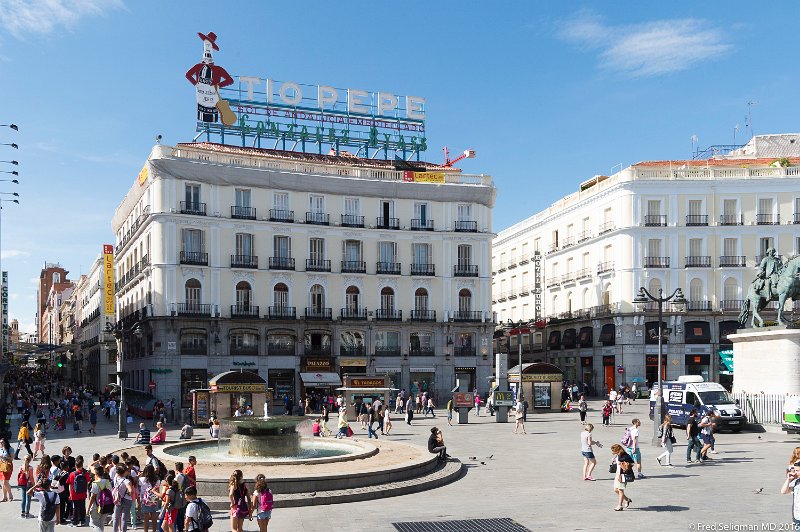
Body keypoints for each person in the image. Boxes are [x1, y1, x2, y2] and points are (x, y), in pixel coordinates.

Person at [67, 455, 91, 527]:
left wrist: (70, 494)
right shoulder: (85, 473)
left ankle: (75, 521)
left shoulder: (72, 474)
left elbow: (70, 484)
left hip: (74, 494)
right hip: (83, 493)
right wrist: (85, 491)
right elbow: (87, 482)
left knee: (75, 507)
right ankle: (83, 519)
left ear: (75, 465)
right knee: (82, 506)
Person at [87, 465, 111, 532]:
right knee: (101, 524)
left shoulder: (95, 483)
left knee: (93, 524)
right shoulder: (107, 482)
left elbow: (92, 497)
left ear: (96, 474)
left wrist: (88, 509)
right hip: (106, 506)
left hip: (96, 507)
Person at [137, 465, 161, 532]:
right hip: (153, 498)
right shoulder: (157, 480)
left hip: (145, 499)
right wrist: (157, 499)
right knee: (154, 516)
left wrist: (139, 475)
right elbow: (157, 490)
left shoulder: (142, 479)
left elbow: (137, 486)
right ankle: (154, 530)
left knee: (146, 517)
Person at [610, 444, 634, 511]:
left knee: (620, 490)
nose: (612, 452)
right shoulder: (618, 455)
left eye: (613, 451)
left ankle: (620, 506)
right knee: (616, 489)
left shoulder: (625, 456)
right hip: (618, 473)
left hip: (623, 474)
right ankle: (627, 499)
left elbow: (632, 463)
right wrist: (615, 460)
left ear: (617, 450)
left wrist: (625, 465)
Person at [780, 457, 800, 526]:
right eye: (794, 470)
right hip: (797, 517)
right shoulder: (796, 482)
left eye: (797, 471)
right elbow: (783, 491)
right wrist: (788, 479)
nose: (794, 473)